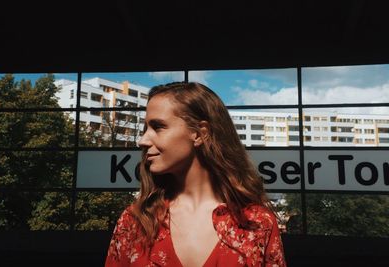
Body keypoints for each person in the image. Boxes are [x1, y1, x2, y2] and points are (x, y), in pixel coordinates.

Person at [105, 82, 286, 267]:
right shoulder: (134, 222)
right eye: (145, 129)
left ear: (200, 133)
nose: (142, 140)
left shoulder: (257, 222)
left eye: (158, 127)